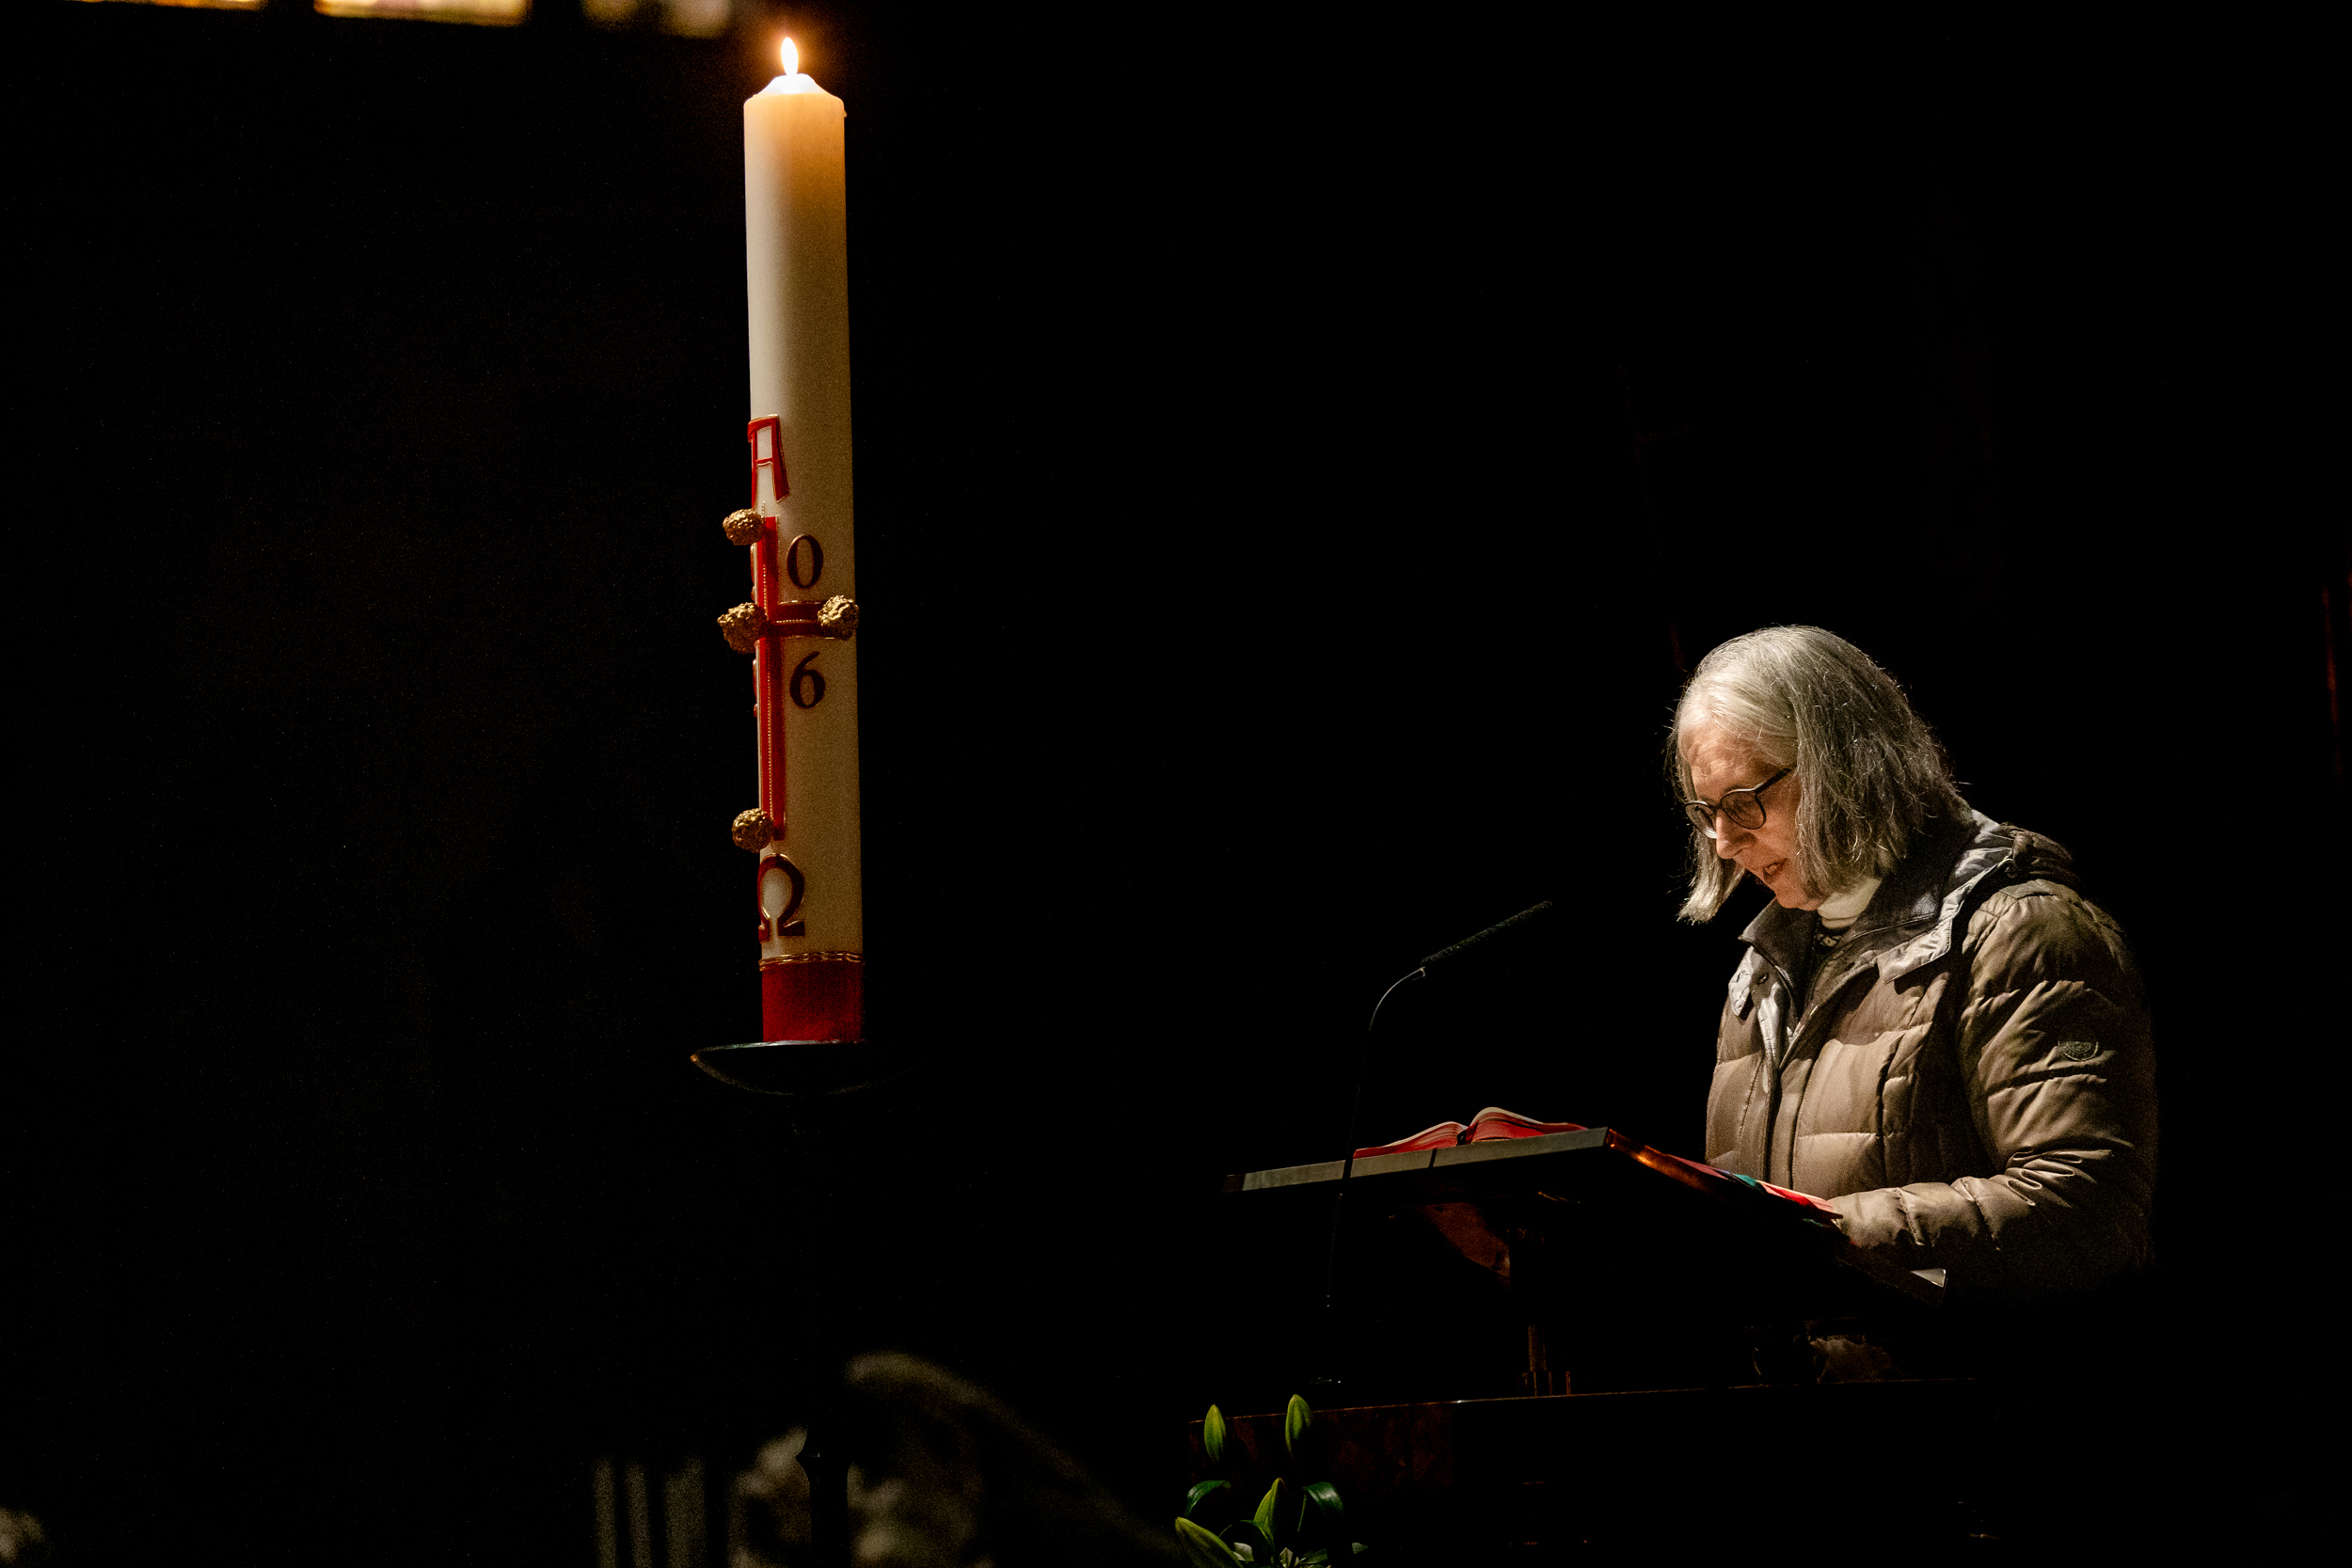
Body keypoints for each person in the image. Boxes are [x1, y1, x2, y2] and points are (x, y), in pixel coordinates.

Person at [1671, 626, 2156, 1299]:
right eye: (1706, 811)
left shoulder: (2019, 933)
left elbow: (2088, 1212)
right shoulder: (1761, 973)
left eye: (1744, 802)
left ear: (1841, 765)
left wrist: (1825, 1234)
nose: (1724, 842)